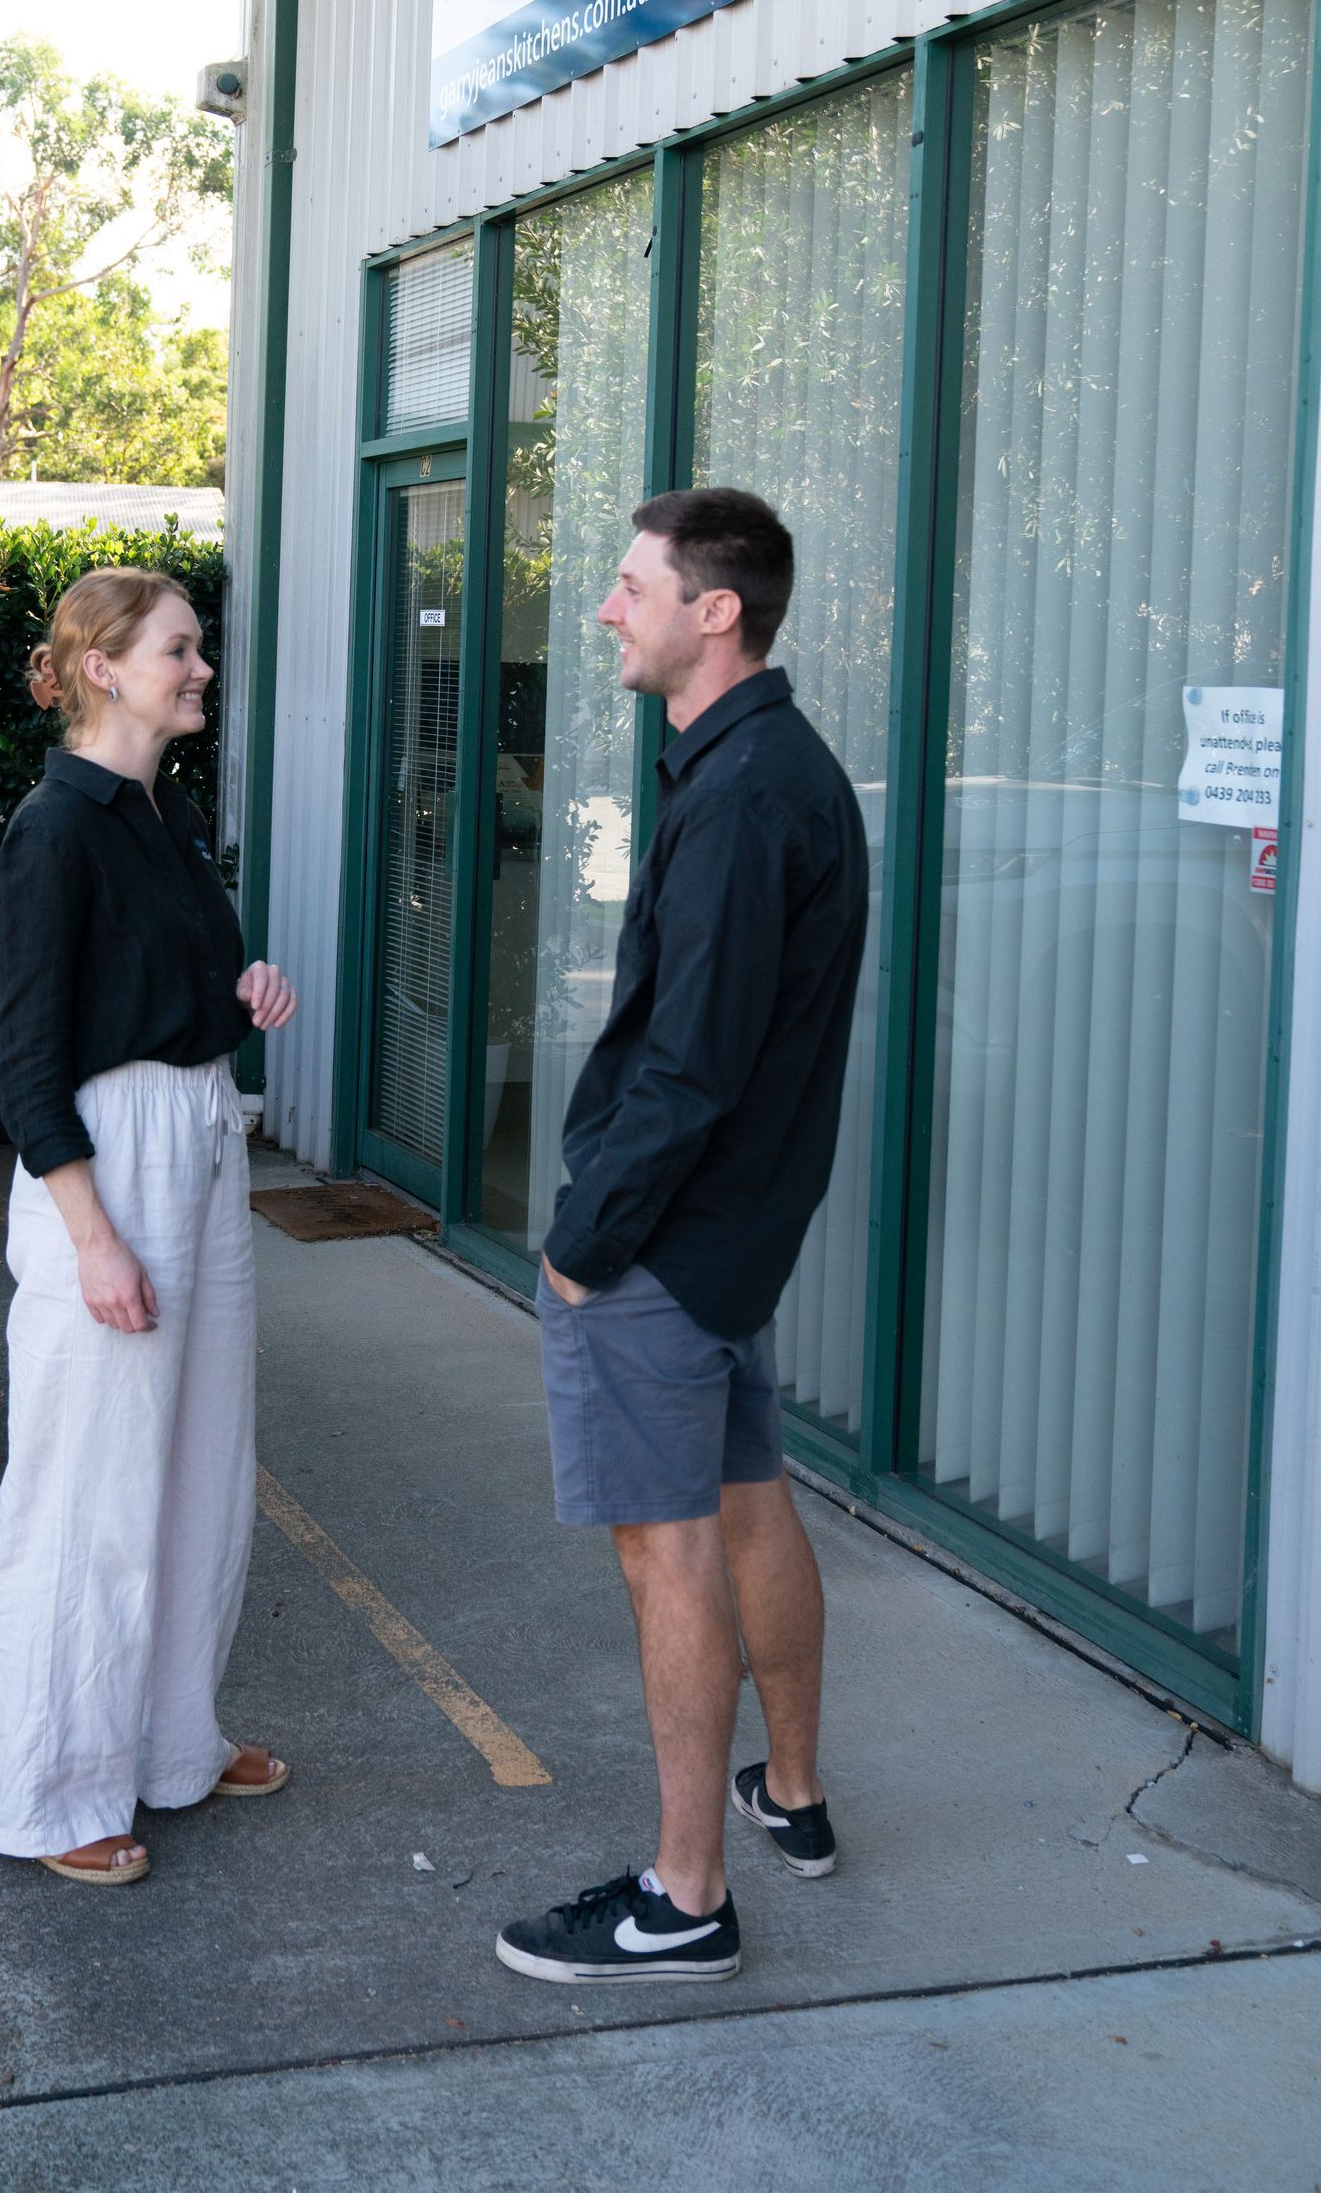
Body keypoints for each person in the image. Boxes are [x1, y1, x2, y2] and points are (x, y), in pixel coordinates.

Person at [496, 489, 868, 1986]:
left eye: (631, 585)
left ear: (714, 612)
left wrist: (584, 1242)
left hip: (665, 1249)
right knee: (749, 1495)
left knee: (669, 1553)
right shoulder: (772, 766)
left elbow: (691, 1064)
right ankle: (789, 1794)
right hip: (732, 1243)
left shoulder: (739, 796)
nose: (607, 610)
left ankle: (686, 1896)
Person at [0, 565, 298, 1885]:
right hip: (104, 1173)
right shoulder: (53, 831)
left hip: (201, 1137)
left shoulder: (164, 819)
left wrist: (245, 993)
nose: (201, 671)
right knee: (89, 1493)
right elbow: (28, 1064)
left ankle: (171, 1743)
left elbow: (176, 989)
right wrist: (94, 1235)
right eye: (180, 651)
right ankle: (56, 1792)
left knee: (201, 1469)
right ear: (104, 669)